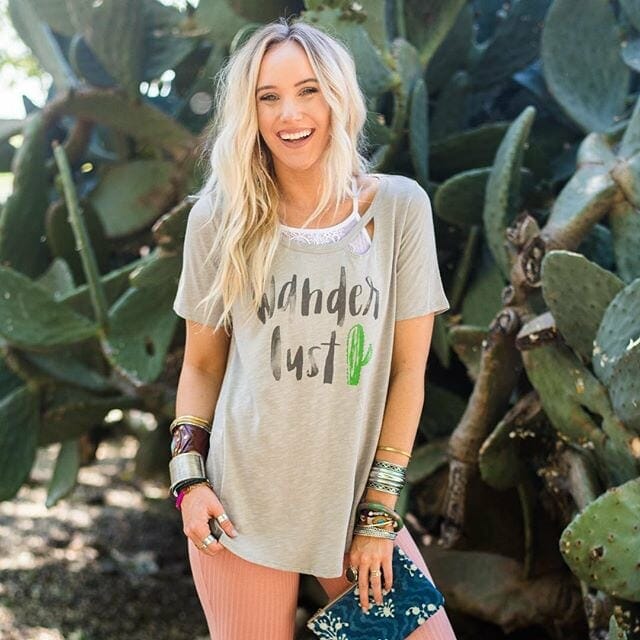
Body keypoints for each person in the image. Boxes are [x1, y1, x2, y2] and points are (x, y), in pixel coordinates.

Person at [169, 16, 457, 640]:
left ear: (338, 98)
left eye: (308, 90)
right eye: (267, 97)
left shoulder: (399, 208)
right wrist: (188, 481)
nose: (289, 114)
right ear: (249, 112)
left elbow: (408, 372)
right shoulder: (220, 218)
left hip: (352, 504)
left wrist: (379, 513)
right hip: (240, 507)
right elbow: (202, 365)